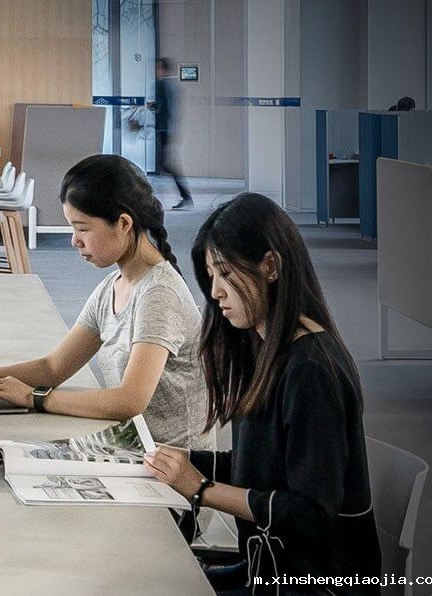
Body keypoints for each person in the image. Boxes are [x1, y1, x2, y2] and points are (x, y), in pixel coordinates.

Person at [144, 193, 380, 593]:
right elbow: (263, 468)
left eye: (224, 273)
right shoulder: (267, 347)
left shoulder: (310, 371)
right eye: (210, 276)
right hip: (269, 565)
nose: (215, 292)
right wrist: (178, 460)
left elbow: (309, 512)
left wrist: (200, 489)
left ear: (270, 266)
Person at [0, 155, 212, 450]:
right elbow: (52, 368)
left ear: (124, 223)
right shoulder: (113, 287)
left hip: (171, 465)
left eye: (82, 228)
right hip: (135, 449)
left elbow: (130, 401)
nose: (74, 241)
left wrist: (34, 398)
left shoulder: (159, 294)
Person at [151, 57, 194, 210]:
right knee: (164, 164)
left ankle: (186, 196)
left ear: (163, 70)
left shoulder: (162, 85)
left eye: (158, 68)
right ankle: (185, 196)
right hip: (166, 130)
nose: (156, 71)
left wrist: (155, 108)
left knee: (164, 164)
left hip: (164, 130)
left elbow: (166, 109)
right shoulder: (169, 86)